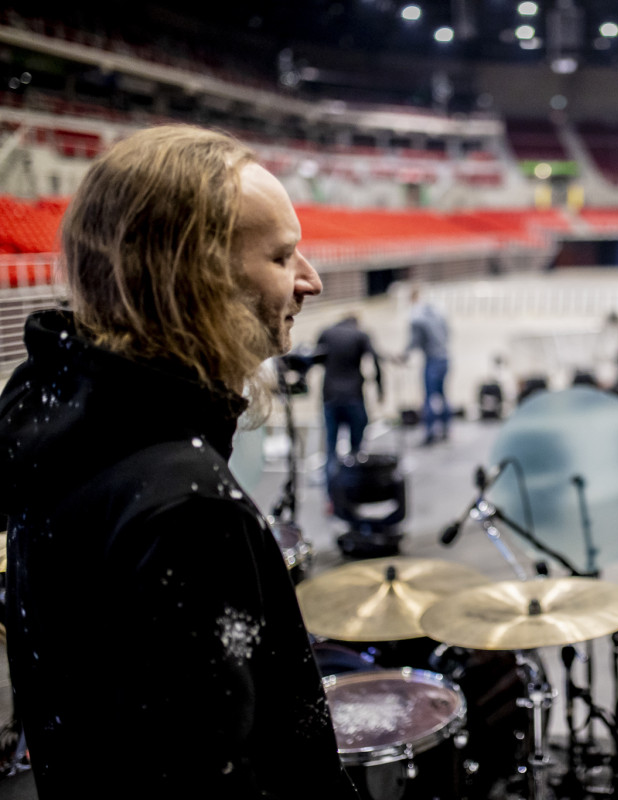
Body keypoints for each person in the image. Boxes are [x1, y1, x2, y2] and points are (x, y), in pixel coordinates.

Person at [0, 126, 359, 799]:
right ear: (196, 282)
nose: (310, 279)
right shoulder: (189, 513)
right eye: (284, 256)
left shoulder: (56, 420)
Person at [315, 313, 383, 490]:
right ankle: (353, 490)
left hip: (330, 396)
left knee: (331, 449)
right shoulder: (360, 335)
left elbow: (316, 358)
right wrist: (380, 388)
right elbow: (375, 360)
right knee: (356, 449)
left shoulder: (326, 333)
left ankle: (331, 497)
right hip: (353, 396)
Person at [404, 285, 451, 445]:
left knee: (429, 397)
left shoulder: (417, 317)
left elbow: (414, 341)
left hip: (432, 359)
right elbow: (448, 333)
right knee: (443, 394)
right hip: (445, 358)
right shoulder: (438, 312)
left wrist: (404, 354)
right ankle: (445, 429)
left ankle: (430, 433)